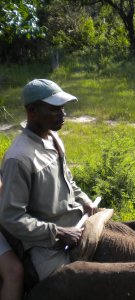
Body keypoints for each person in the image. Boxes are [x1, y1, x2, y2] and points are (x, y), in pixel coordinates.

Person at [0, 79, 96, 282]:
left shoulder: (53, 138)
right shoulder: (19, 158)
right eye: (54, 109)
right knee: (70, 285)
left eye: (62, 108)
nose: (62, 114)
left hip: (75, 222)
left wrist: (84, 199)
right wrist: (58, 232)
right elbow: (11, 218)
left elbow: (67, 178)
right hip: (46, 246)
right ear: (32, 110)